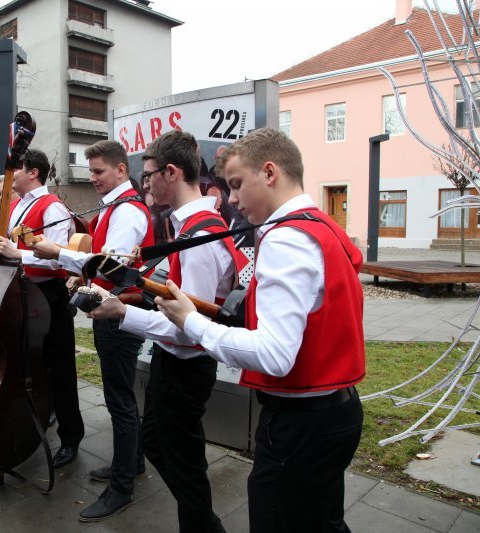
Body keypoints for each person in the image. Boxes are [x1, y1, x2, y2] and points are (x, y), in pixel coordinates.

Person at [156, 127, 365, 532]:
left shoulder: (286, 239)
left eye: (236, 184)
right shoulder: (321, 225)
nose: (231, 199)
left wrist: (192, 322)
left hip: (299, 423)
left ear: (269, 172)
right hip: (335, 412)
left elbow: (273, 355)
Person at [89, 130, 238, 533]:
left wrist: (122, 312)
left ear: (171, 172)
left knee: (184, 464)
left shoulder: (201, 234)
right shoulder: (186, 226)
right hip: (170, 362)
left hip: (186, 367)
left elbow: (192, 328)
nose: (145, 183)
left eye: (150, 174)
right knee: (159, 445)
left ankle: (205, 526)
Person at [29, 140, 153, 522]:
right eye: (91, 171)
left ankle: (122, 487)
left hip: (120, 312)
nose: (93, 178)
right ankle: (130, 465)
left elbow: (109, 265)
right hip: (116, 310)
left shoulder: (127, 211)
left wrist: (58, 253)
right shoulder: (118, 207)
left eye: (99, 171)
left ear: (120, 170)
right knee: (122, 396)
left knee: (119, 400)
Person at [0, 148, 85, 469]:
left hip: (48, 294)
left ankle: (71, 437)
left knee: (60, 368)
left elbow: (58, 255)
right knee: (29, 365)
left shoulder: (52, 206)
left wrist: (17, 254)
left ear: (33, 172)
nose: (10, 175)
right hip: (21, 293)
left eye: (16, 168)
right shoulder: (16, 206)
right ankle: (37, 419)